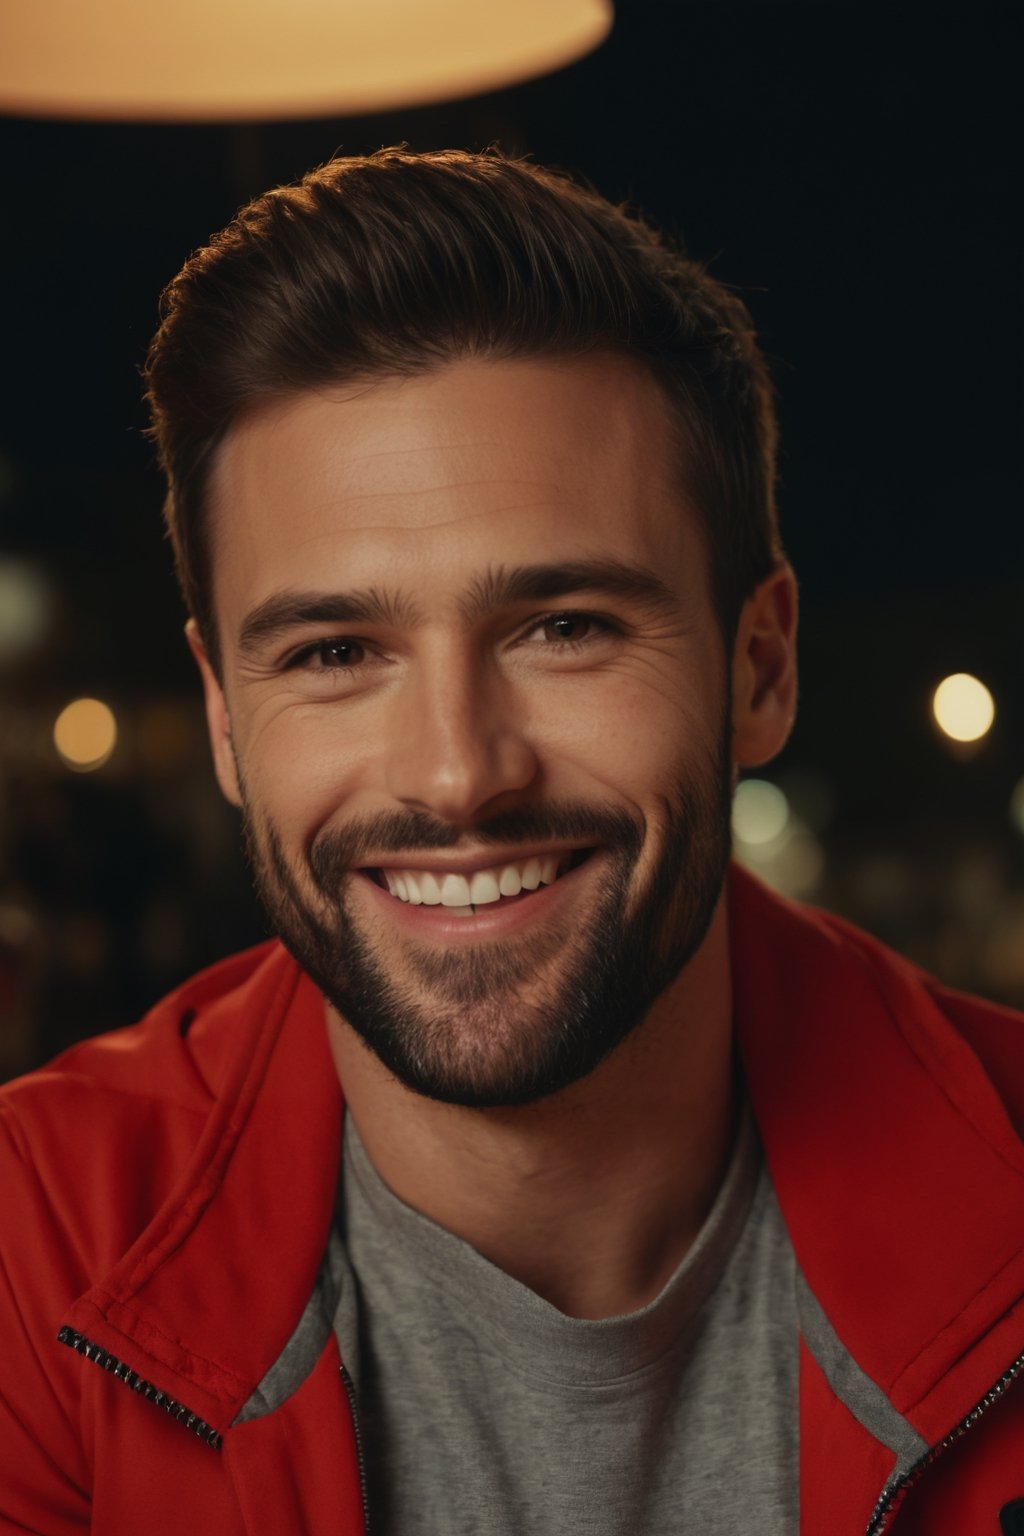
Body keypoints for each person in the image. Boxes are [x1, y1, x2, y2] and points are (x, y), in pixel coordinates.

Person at [1, 148, 1022, 1536]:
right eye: (335, 650)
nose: (457, 771)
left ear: (762, 667)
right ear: (226, 723)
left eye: (564, 629)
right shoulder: (32, 1250)